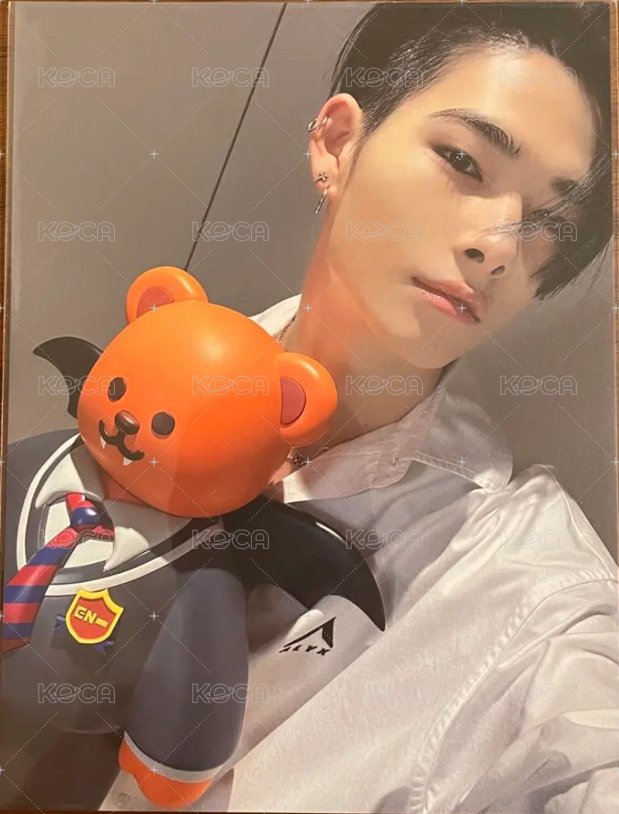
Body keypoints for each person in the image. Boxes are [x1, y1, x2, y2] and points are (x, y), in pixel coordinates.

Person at [6, 2, 619, 812]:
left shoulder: (524, 590)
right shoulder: (146, 377)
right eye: (462, 160)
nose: (497, 244)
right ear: (336, 144)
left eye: (549, 224)